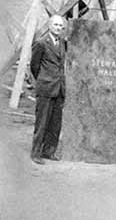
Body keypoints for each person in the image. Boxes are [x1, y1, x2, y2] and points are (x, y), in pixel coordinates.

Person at [30, 15, 66, 165]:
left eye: (60, 26)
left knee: (55, 123)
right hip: (46, 87)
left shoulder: (62, 43)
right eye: (56, 25)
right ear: (50, 26)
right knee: (42, 122)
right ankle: (36, 153)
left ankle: (48, 151)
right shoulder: (41, 43)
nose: (58, 28)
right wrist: (44, 79)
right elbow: (34, 66)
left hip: (59, 88)